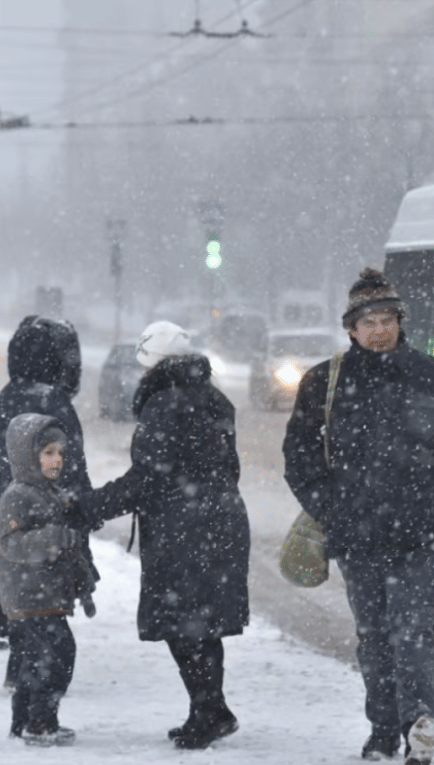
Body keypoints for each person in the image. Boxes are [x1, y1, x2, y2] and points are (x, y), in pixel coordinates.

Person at [283, 268, 434, 765]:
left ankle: (420, 726)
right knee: (373, 635)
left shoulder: (433, 376)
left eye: (387, 319)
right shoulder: (324, 382)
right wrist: (332, 508)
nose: (379, 329)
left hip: (423, 533)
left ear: (400, 322)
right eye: (368, 322)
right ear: (350, 328)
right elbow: (298, 458)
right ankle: (382, 729)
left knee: (412, 630)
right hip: (356, 536)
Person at [88, 321, 250, 750]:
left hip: (187, 530)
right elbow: (227, 467)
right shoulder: (213, 398)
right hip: (219, 521)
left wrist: (91, 507)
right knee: (201, 625)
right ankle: (210, 710)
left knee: (185, 626)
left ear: (153, 365)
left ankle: (209, 713)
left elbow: (148, 478)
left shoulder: (165, 404)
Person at [0, 316, 97, 706]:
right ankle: (35, 698)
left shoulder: (5, 396)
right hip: (44, 511)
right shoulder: (53, 403)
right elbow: (71, 462)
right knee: (42, 602)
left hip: (11, 509)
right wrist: (83, 509)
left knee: (19, 590)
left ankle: (22, 679)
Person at [0, 413, 96, 746]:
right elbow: (9, 544)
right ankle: (39, 722)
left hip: (48, 596)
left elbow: (67, 550)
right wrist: (52, 537)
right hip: (28, 597)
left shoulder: (49, 493)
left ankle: (25, 721)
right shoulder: (17, 496)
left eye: (61, 453)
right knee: (54, 657)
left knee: (38, 660)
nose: (57, 460)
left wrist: (83, 578)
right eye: (48, 452)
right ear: (28, 455)